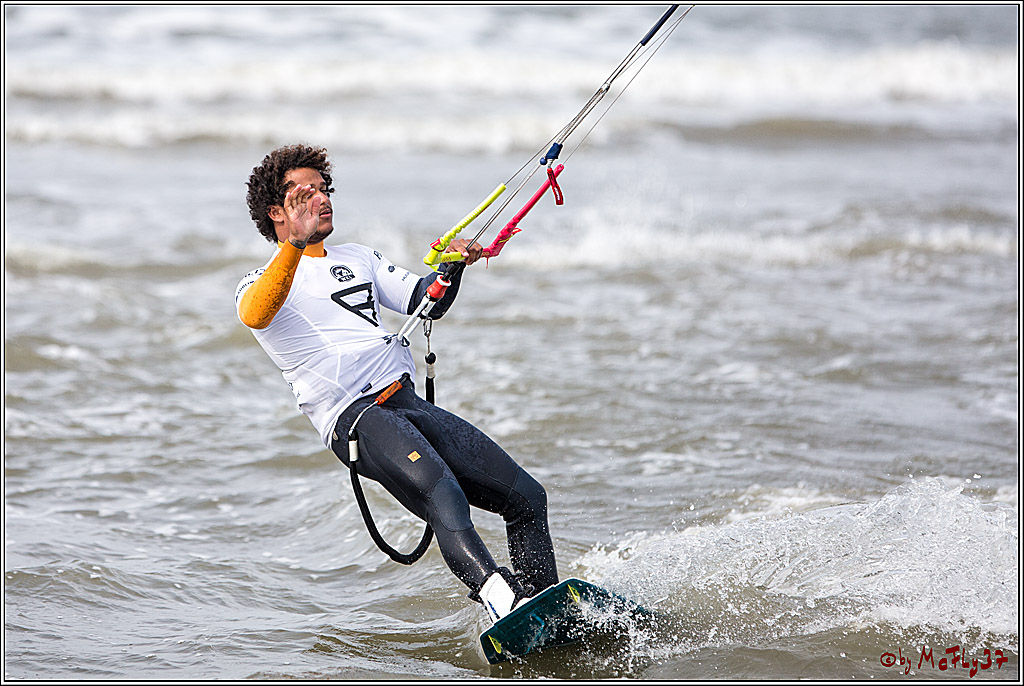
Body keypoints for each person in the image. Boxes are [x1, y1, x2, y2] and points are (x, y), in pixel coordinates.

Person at [235, 144, 559, 623]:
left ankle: (545, 607)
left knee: (527, 498)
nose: (319, 198)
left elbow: (426, 302)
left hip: (406, 402)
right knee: (443, 495)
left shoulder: (359, 257)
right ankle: (501, 599)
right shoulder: (260, 281)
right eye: (303, 194)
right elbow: (255, 314)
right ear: (276, 212)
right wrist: (294, 247)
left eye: (322, 189)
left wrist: (453, 268)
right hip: (358, 418)